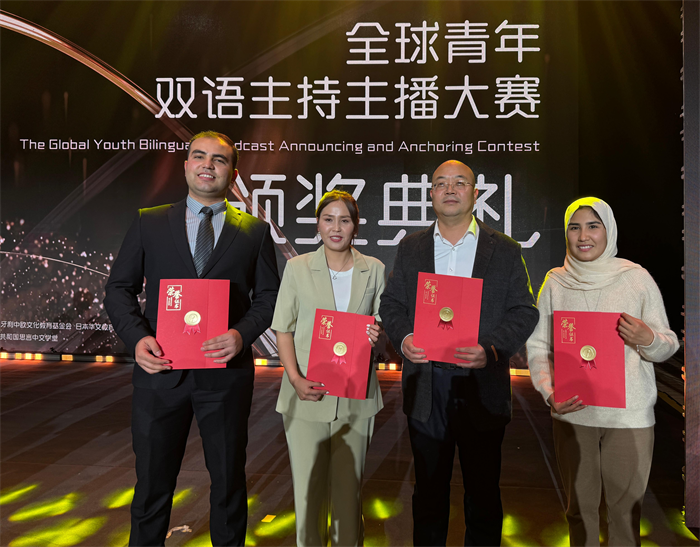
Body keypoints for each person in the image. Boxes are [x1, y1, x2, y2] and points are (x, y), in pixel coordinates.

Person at [104, 131, 280, 547]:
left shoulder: (254, 231)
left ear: (232, 174)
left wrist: (241, 335)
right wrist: (137, 340)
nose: (207, 165)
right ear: (186, 166)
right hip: (160, 372)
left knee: (229, 483)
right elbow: (118, 289)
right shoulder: (149, 221)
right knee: (152, 484)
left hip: (225, 376)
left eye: (219, 160)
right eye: (199, 156)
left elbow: (270, 297)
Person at [379, 160, 539, 547]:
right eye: (441, 183)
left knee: (483, 496)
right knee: (428, 494)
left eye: (459, 182)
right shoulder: (411, 247)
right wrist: (404, 339)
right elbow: (391, 304)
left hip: (481, 385)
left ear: (475, 193)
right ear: (431, 194)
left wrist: (491, 349)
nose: (450, 189)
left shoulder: (504, 249)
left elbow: (524, 310)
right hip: (427, 385)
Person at [527, 197, 679, 547]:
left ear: (608, 230)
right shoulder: (555, 281)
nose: (583, 236)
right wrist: (550, 392)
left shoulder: (635, 278)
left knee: (625, 515)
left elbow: (668, 343)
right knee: (579, 512)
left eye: (593, 226)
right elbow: (538, 346)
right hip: (573, 412)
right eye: (574, 227)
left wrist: (648, 338)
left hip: (628, 416)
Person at [271, 190, 384, 547]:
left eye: (344, 220)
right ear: (318, 225)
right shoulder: (298, 268)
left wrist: (377, 330)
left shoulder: (375, 268)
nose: (336, 228)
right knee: (309, 495)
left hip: (356, 396)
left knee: (349, 496)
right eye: (328, 219)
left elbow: (381, 320)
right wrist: (295, 378)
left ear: (356, 226)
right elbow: (283, 328)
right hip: (306, 394)